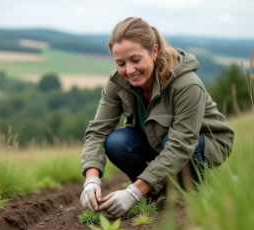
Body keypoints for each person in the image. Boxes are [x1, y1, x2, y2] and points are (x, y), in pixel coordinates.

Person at [80, 17, 234, 218]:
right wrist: (91, 180)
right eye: (121, 63)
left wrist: (132, 191)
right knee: (116, 142)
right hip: (158, 142)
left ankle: (186, 188)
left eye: (135, 60)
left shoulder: (186, 84)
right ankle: (154, 192)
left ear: (154, 51)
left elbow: (181, 143)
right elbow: (97, 131)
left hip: (200, 145)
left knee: (172, 141)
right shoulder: (117, 83)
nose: (129, 70)